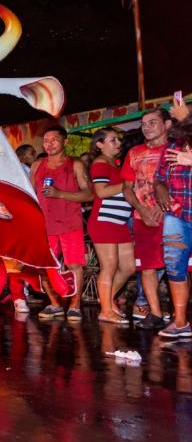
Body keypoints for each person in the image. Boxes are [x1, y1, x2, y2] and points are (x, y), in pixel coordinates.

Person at [30, 126, 94, 321]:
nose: (49, 144)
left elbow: (89, 193)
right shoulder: (37, 165)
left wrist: (60, 194)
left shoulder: (75, 165)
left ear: (65, 142)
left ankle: (75, 305)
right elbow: (30, 194)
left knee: (74, 265)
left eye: (54, 140)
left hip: (70, 223)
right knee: (44, 266)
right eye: (46, 141)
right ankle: (55, 304)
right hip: (45, 225)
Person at [122, 109, 172, 330]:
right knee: (147, 267)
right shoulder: (134, 152)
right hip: (143, 219)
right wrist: (141, 210)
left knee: (177, 267)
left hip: (173, 217)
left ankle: (180, 315)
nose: (147, 127)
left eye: (153, 122)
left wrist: (167, 209)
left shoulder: (178, 149)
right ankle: (155, 314)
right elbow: (126, 188)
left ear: (168, 124)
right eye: (143, 123)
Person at [87, 128, 135, 324]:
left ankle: (106, 300)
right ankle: (106, 310)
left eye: (118, 140)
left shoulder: (114, 164)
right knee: (110, 266)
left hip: (119, 223)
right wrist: (127, 185)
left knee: (128, 267)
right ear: (100, 145)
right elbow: (101, 192)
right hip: (104, 221)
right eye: (112, 140)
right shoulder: (99, 164)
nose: (118, 143)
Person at [154, 118, 192, 338]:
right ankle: (180, 322)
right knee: (174, 267)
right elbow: (159, 177)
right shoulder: (171, 148)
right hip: (177, 215)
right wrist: (161, 190)